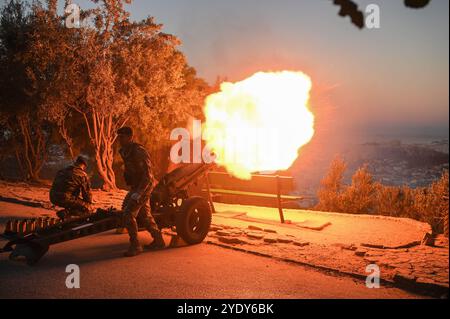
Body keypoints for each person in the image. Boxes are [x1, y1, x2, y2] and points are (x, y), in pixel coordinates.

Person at [117, 126, 165, 257]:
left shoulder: (138, 151)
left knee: (128, 213)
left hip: (144, 186)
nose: (119, 139)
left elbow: (148, 175)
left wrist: (139, 193)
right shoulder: (125, 151)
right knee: (145, 215)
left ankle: (135, 246)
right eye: (118, 137)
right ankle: (159, 240)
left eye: (122, 137)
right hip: (136, 186)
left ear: (130, 137)